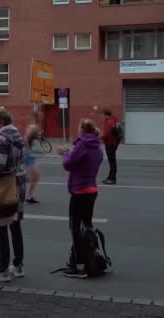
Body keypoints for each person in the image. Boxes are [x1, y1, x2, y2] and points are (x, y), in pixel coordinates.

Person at [0, 108, 27, 282]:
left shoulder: (2, 139)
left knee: (1, 226)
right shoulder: (18, 136)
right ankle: (18, 265)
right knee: (15, 226)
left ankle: (2, 269)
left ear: (0, 121)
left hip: (4, 186)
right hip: (19, 184)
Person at [58, 119, 104, 278]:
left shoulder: (82, 145)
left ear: (82, 130)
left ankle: (79, 266)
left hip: (80, 190)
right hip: (92, 189)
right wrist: (71, 153)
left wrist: (65, 153)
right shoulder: (97, 146)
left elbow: (68, 164)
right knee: (88, 225)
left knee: (75, 228)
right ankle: (91, 257)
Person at [24, 124, 42, 204]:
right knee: (32, 177)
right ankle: (28, 196)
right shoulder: (26, 138)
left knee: (34, 177)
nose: (34, 130)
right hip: (28, 158)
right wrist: (29, 152)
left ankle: (30, 196)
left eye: (34, 129)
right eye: (31, 129)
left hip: (32, 157)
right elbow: (26, 149)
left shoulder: (34, 137)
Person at [101, 109, 121, 185]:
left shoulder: (109, 122)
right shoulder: (113, 121)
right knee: (112, 161)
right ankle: (110, 177)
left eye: (103, 115)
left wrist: (101, 138)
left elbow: (107, 134)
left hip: (110, 144)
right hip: (114, 143)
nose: (103, 117)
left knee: (112, 162)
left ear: (106, 115)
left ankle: (112, 178)